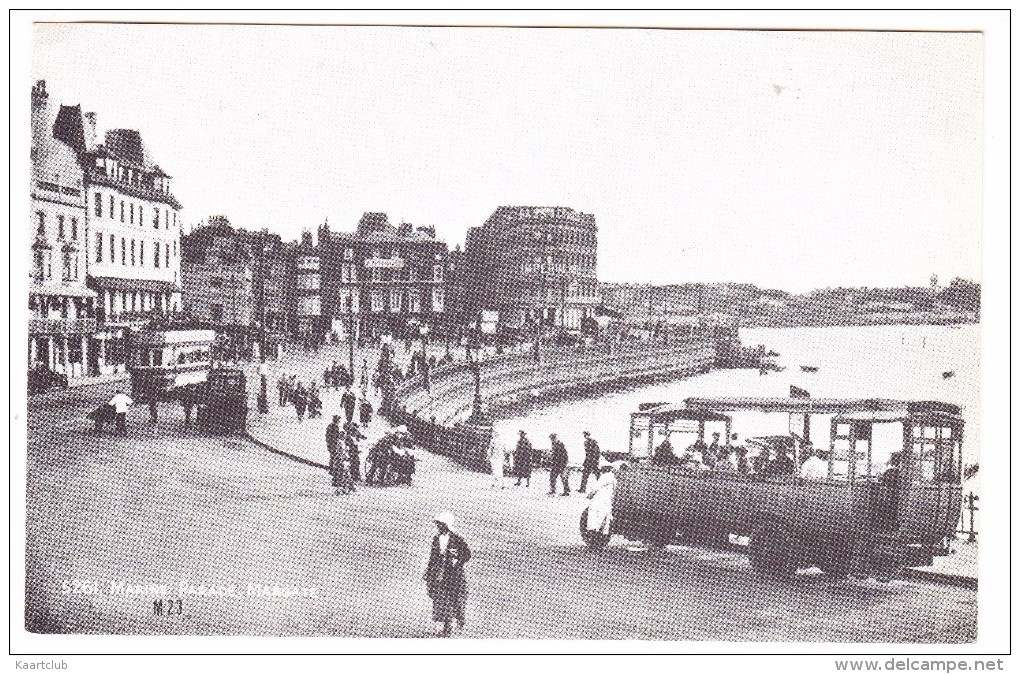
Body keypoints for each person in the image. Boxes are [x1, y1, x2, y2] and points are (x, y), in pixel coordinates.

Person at [424, 513, 471, 637]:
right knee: (443, 599)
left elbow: (467, 554)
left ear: (446, 525)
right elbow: (433, 557)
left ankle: (460, 619)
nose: (438, 526)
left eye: (441, 524)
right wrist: (428, 571)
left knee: (455, 598)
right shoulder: (436, 538)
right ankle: (447, 626)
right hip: (440, 574)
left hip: (455, 574)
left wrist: (457, 561)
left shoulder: (458, 538)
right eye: (438, 524)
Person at [586, 462, 619, 537]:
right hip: (608, 500)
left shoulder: (604, 477)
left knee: (594, 513)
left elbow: (595, 488)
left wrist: (589, 495)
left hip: (600, 499)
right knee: (606, 517)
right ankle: (604, 533)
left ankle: (593, 531)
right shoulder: (613, 478)